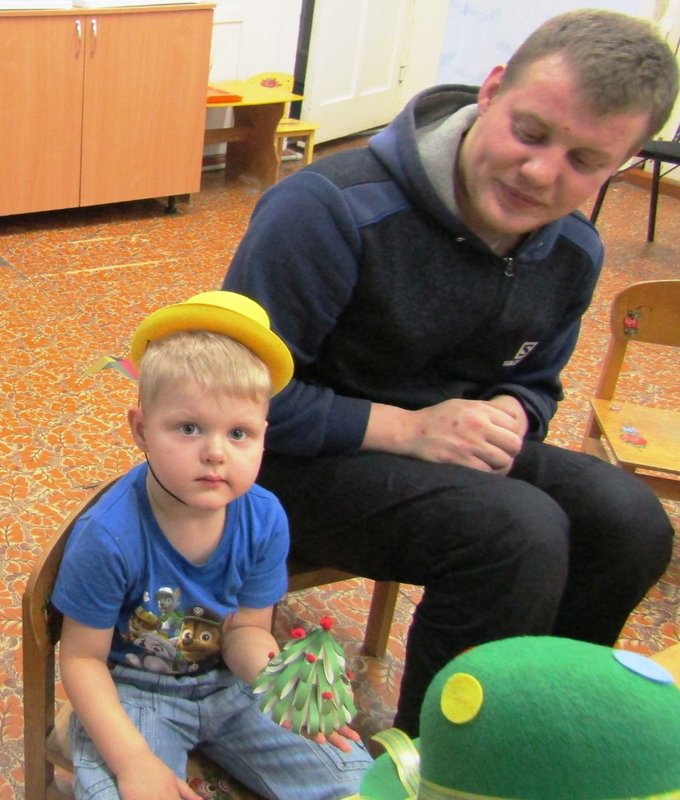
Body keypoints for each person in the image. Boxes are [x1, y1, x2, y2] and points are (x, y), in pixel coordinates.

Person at [222, 8, 679, 738]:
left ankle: (532, 728)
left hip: (444, 458)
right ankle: (434, 765)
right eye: (530, 132)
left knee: (629, 522)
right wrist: (407, 429)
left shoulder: (574, 250)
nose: (541, 173)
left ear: (621, 166)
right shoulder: (328, 208)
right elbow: (229, 396)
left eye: (585, 161)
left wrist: (516, 408)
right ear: (491, 92)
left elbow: (537, 381)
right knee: (517, 534)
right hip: (283, 463)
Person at [51, 291, 373, 800]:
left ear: (264, 435)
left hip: (232, 685)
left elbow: (246, 630)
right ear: (141, 429)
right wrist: (134, 761)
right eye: (189, 428)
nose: (216, 453)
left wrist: (280, 686)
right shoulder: (108, 536)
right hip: (136, 693)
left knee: (358, 780)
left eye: (239, 433)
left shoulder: (264, 517)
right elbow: (81, 661)